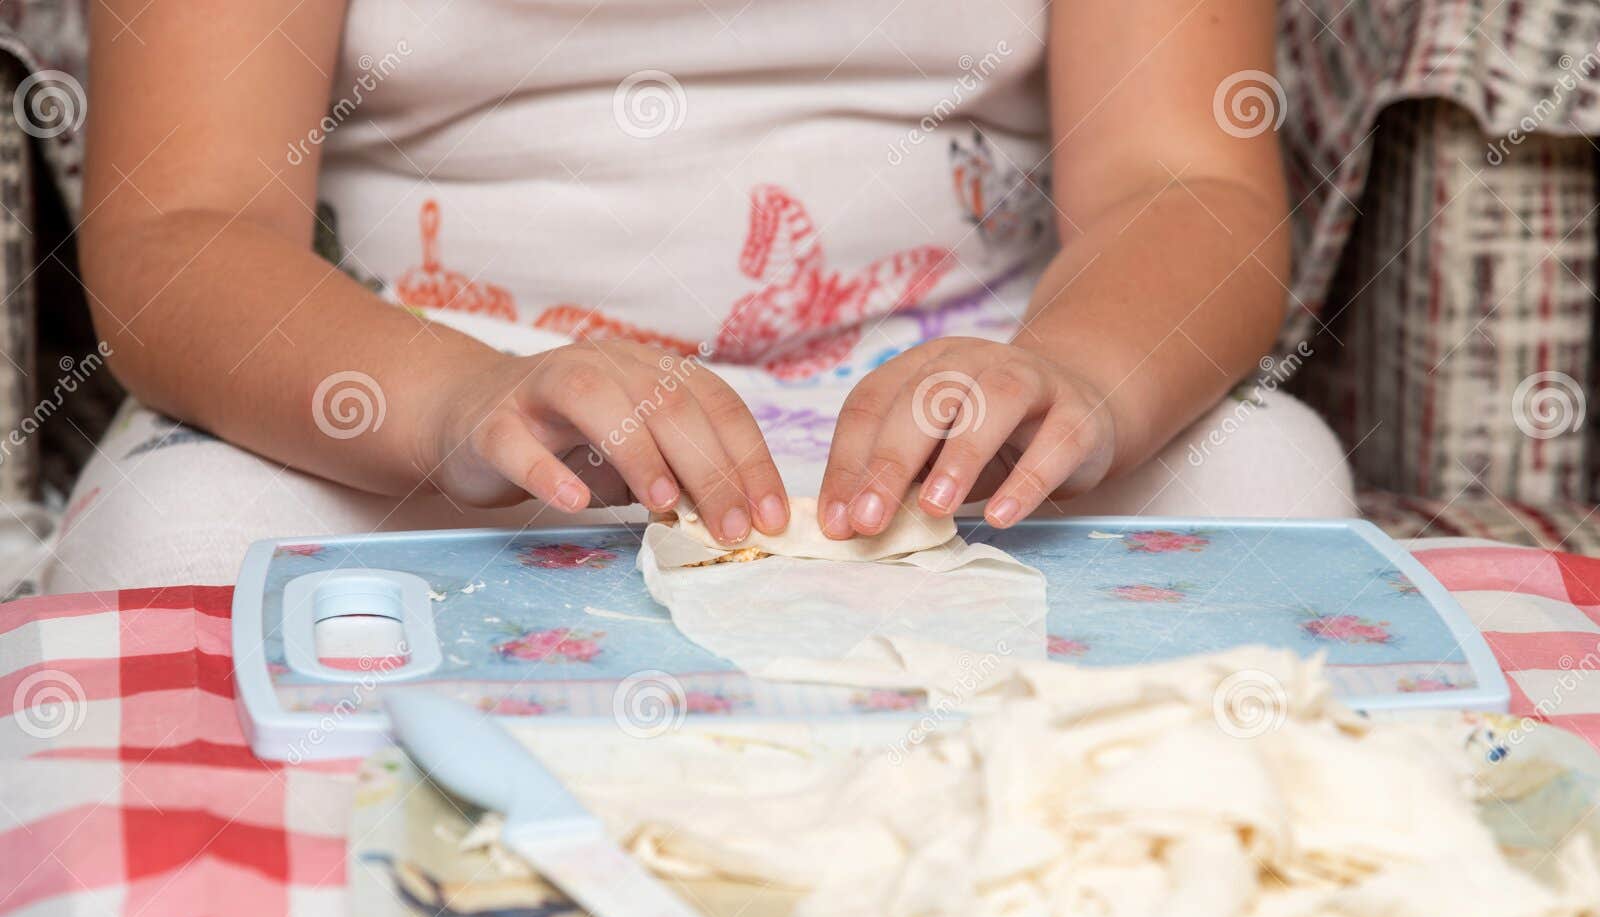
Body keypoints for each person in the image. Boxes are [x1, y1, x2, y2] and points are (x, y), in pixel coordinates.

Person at [57, 0, 1353, 592]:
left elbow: (1180, 175)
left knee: (1272, 483)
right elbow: (186, 222)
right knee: (178, 539)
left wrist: (1080, 377)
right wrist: (452, 401)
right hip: (441, 400)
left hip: (958, 392)